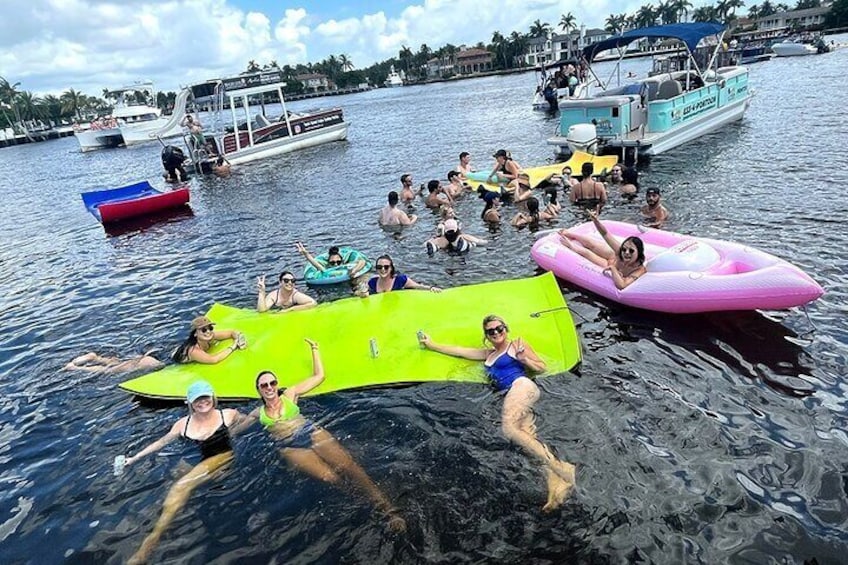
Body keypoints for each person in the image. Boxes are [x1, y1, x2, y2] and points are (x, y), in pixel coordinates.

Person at [418, 316, 576, 512]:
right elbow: (459, 351)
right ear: (487, 336)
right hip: (512, 395)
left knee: (508, 428)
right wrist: (431, 344)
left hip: (521, 386)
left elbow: (541, 367)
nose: (496, 333)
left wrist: (523, 359)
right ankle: (556, 482)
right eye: (490, 331)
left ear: (505, 329)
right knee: (528, 438)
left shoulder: (516, 345)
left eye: (499, 328)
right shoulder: (488, 355)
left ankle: (561, 466)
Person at [246, 340, 406, 532]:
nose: (270, 387)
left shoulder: (290, 394)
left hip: (309, 432)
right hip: (290, 447)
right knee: (331, 478)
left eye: (273, 383)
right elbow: (235, 424)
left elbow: (319, 376)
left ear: (277, 384)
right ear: (259, 390)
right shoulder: (257, 413)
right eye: (264, 385)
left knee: (350, 467)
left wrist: (315, 349)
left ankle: (389, 510)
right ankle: (368, 507)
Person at [121, 381, 246, 564]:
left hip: (222, 456)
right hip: (199, 459)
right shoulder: (182, 425)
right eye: (197, 399)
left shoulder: (227, 415)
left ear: (213, 397)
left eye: (205, 397)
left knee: (181, 487)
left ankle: (149, 545)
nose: (202, 402)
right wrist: (134, 458)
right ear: (189, 402)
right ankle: (168, 519)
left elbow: (247, 421)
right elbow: (161, 442)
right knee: (172, 482)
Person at [558, 210, 647, 290]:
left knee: (587, 253)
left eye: (631, 251)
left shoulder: (639, 269)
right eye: (624, 249)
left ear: (639, 253)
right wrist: (595, 221)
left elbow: (622, 285)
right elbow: (605, 234)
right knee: (592, 245)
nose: (626, 253)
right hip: (613, 257)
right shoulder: (620, 251)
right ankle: (570, 234)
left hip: (609, 264)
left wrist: (613, 269)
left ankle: (571, 246)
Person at [296, 242, 369, 296]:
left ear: (342, 261)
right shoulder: (326, 270)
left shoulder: (346, 266)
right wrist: (306, 254)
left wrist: (354, 271)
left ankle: (360, 292)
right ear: (328, 262)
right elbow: (316, 264)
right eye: (332, 263)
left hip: (349, 281)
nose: (336, 264)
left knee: (359, 281)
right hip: (331, 287)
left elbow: (362, 261)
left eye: (338, 262)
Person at [172, 316, 247, 364]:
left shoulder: (210, 336)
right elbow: (213, 359)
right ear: (195, 334)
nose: (208, 332)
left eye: (210, 328)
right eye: (203, 330)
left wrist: (239, 338)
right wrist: (233, 346)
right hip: (173, 359)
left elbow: (231, 332)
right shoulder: (193, 350)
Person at [367, 254, 441, 294]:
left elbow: (417, 286)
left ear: (391, 268)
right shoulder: (372, 282)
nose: (383, 269)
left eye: (386, 267)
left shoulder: (400, 280)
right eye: (379, 267)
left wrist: (431, 288)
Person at [64, 351, 163, 374]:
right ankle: (74, 368)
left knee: (120, 363)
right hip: (152, 363)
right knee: (109, 371)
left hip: (153, 359)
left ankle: (97, 359)